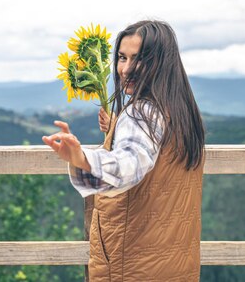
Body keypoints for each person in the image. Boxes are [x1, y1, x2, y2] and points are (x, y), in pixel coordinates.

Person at [42, 20, 205, 281]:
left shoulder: (140, 113)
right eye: (121, 58)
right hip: (175, 264)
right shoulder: (181, 113)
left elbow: (130, 164)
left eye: (138, 59)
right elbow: (152, 155)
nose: (125, 69)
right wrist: (117, 127)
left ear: (161, 63)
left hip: (130, 265)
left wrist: (83, 158)